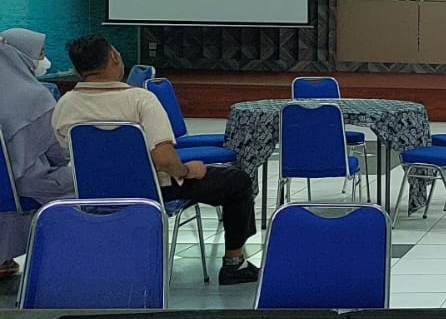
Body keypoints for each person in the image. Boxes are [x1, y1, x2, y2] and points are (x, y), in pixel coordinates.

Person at [52, 35, 258, 284]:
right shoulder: (140, 99)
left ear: (77, 70)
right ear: (115, 57)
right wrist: (187, 171)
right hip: (152, 190)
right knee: (238, 181)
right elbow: (163, 158)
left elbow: (64, 152)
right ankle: (234, 263)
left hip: (94, 192)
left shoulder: (65, 104)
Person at [0, 28, 74, 278]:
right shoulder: (35, 97)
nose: (44, 59)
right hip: (26, 182)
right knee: (88, 183)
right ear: (19, 56)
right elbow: (59, 153)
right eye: (40, 53)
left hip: (5, 187)